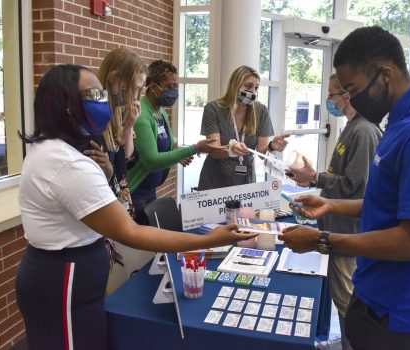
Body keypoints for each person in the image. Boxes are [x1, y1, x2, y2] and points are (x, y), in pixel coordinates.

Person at [16, 64, 256, 350]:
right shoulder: (65, 162)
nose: (104, 101)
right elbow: (130, 231)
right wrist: (207, 241)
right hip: (64, 281)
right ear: (64, 104)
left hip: (74, 279)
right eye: (94, 94)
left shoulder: (62, 151)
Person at [280, 26, 410, 350]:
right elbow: (387, 202)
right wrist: (333, 205)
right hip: (373, 290)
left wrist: (322, 240)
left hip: (395, 308)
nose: (351, 99)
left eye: (353, 88)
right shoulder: (398, 123)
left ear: (385, 74)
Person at [288, 73, 381, 350]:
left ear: (347, 95)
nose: (328, 99)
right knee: (343, 302)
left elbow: (356, 186)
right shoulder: (352, 127)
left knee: (349, 303)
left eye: (331, 93)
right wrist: (315, 178)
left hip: (347, 233)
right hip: (336, 226)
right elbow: (342, 177)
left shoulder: (364, 131)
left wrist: (317, 178)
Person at [127, 60, 222, 224]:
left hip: (150, 190)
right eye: (170, 86)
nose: (175, 91)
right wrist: (195, 148)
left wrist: (177, 155)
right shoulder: (142, 116)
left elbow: (163, 148)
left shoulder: (160, 112)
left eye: (176, 86)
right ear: (153, 87)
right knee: (141, 246)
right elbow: (151, 160)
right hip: (136, 191)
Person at [198, 65, 289, 190]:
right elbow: (214, 152)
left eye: (256, 88)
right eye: (248, 86)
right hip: (216, 178)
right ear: (235, 85)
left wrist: (272, 146)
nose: (253, 91)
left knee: (246, 210)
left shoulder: (261, 111)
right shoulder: (213, 109)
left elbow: (262, 152)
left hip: (245, 179)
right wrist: (231, 149)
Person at [94, 47, 146, 219]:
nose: (136, 96)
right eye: (134, 88)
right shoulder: (95, 115)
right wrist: (108, 172)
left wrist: (129, 127)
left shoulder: (119, 113)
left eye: (139, 89)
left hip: (120, 202)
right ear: (114, 80)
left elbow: (128, 162)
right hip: (103, 207)